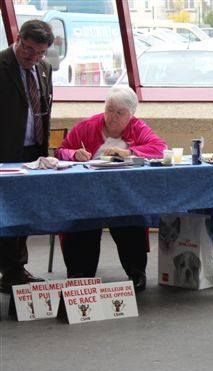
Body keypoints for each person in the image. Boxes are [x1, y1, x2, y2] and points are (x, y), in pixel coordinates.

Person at [55, 86, 167, 292]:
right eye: (109, 110)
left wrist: (128, 152)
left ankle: (136, 272)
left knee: (130, 218)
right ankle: (80, 274)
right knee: (83, 222)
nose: (112, 117)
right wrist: (74, 154)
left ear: (131, 114)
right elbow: (61, 150)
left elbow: (160, 148)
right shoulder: (87, 126)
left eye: (119, 113)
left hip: (122, 194)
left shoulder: (137, 128)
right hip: (86, 194)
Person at [0, 20, 54, 293]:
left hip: (34, 151)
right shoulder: (2, 64)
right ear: (18, 38)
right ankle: (10, 270)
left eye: (39, 53)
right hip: (5, 152)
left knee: (24, 211)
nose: (32, 58)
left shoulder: (44, 69)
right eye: (28, 50)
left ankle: (15, 268)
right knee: (5, 212)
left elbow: (43, 108)